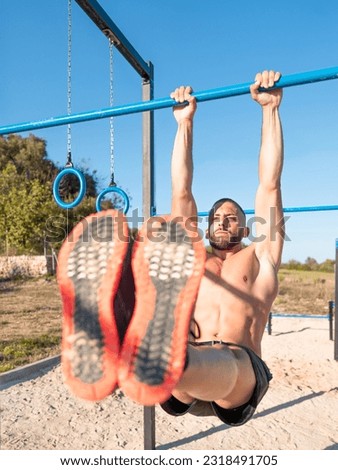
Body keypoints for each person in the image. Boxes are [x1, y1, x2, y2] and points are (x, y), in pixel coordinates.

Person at [57, 70, 284, 427]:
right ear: (208, 227)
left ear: (246, 226)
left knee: (228, 361)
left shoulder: (261, 257)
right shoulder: (191, 262)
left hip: (239, 377)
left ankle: (157, 359)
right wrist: (184, 123)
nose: (223, 221)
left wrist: (270, 110)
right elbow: (182, 191)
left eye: (233, 218)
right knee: (169, 234)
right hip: (183, 377)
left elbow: (269, 184)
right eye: (218, 218)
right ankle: (132, 344)